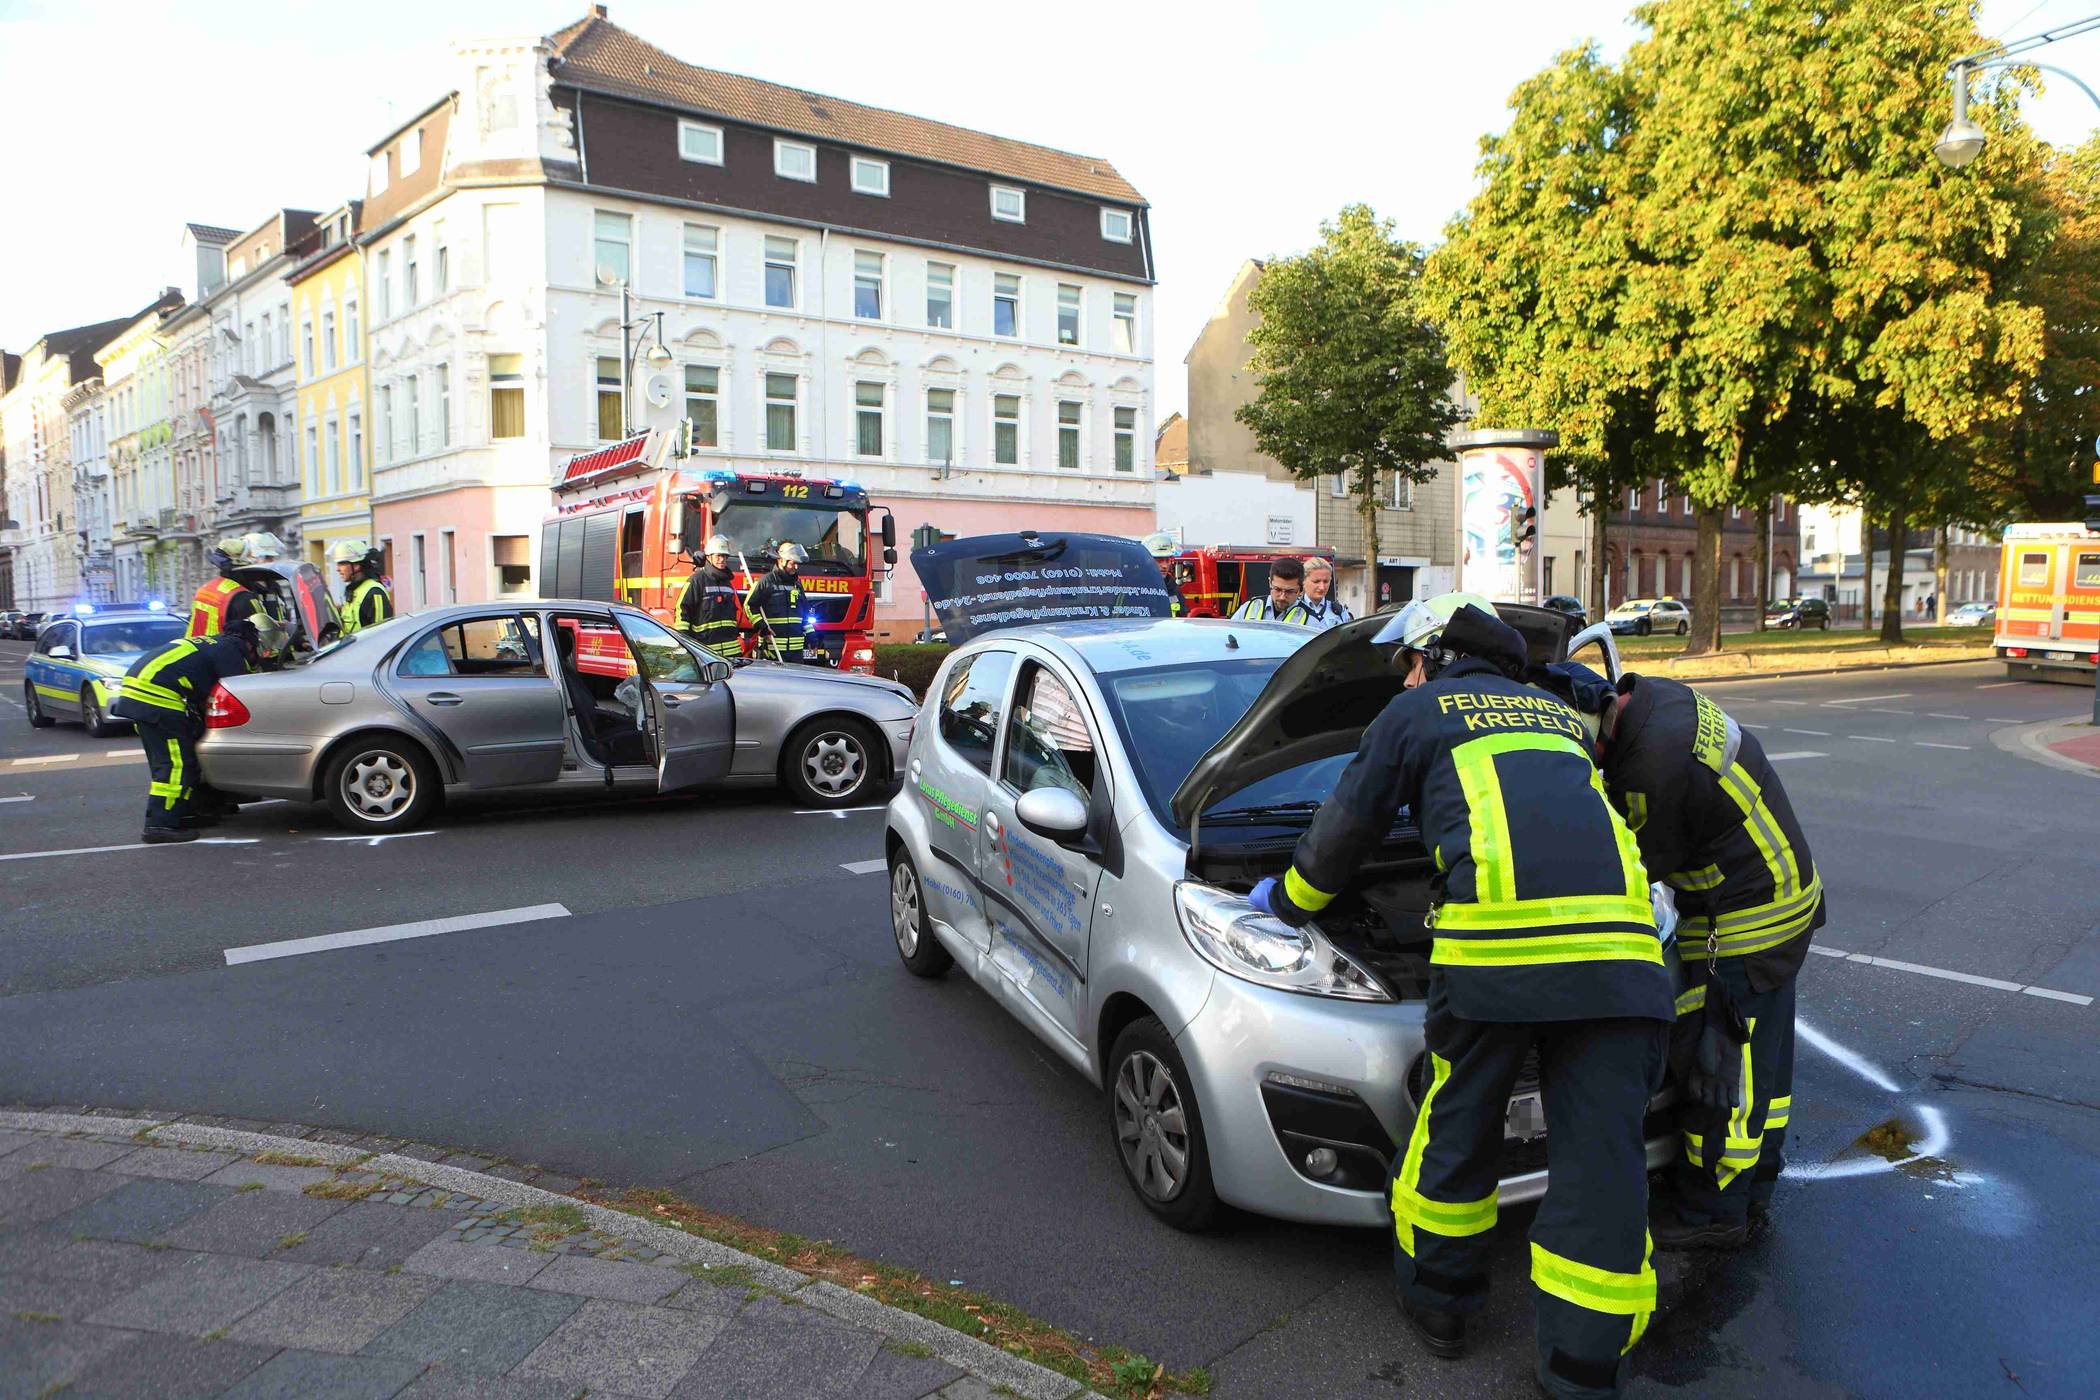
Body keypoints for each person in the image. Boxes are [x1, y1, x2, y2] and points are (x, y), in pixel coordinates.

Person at [1250, 594, 1673, 1399]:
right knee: (1601, 1162)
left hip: (1498, 970)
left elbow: (1345, 830)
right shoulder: (1556, 714)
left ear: (1431, 658)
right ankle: (1583, 1367)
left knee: (1460, 1125)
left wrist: (1287, 901)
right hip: (1623, 964)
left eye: (1408, 663)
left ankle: (1441, 1306)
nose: (1405, 677)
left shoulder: (1417, 715)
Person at [1536, 662, 1821, 1252]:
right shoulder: (1656, 701)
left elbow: (1634, 867)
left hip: (1744, 916)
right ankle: (1756, 1179)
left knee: (1721, 1063)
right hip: (1780, 888)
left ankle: (1712, 1210)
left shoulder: (1649, 769)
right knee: (1762, 1058)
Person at [109, 613, 289, 844]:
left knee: (185, 760)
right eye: (260, 651)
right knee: (175, 765)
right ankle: (159, 825)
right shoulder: (230, 652)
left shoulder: (216, 643)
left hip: (145, 694)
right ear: (252, 643)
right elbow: (240, 694)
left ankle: (182, 813)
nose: (258, 657)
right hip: (157, 700)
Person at [677, 535, 743, 660]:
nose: (722, 560)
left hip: (732, 651)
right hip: (706, 651)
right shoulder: (697, 580)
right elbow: (682, 609)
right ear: (709, 557)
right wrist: (684, 639)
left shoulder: (728, 583)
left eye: (724, 556)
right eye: (718, 556)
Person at [187, 537, 263, 639]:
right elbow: (256, 636)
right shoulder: (243, 597)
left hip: (197, 650)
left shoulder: (204, 589)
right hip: (223, 653)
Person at [747, 542, 807, 661]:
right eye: (792, 563)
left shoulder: (797, 585)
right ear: (781, 561)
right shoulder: (766, 582)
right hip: (772, 650)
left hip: (796, 652)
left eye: (797, 563)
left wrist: (811, 633)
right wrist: (762, 627)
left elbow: (804, 613)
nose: (796, 567)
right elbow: (749, 607)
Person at [331, 539, 394, 636]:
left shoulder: (374, 592)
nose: (337, 569)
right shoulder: (356, 590)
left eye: (342, 563)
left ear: (356, 566)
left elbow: (381, 635)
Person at [1231, 557, 1309, 622]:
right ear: (1270, 583)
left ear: (1301, 589)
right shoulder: (1247, 609)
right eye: (1277, 589)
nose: (1282, 597)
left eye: (1289, 591)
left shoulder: (1311, 621)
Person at [1296, 556, 1355, 630]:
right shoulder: (1292, 610)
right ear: (1303, 581)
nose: (1322, 587)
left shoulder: (1339, 611)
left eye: (1326, 581)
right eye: (1316, 581)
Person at [1142, 531, 1189, 617]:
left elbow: (1182, 616)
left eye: (1167, 560)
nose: (1165, 565)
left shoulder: (1172, 586)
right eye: (1159, 560)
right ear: (1146, 560)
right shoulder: (1134, 587)